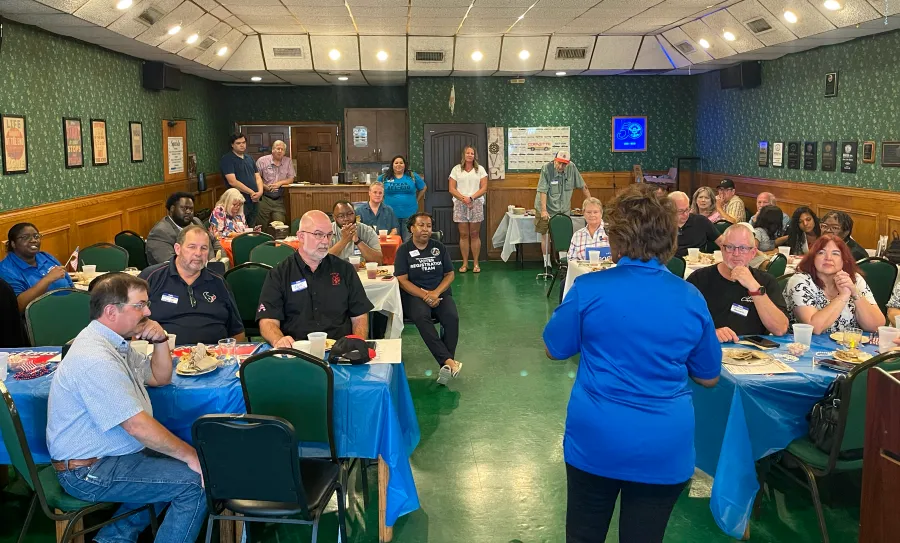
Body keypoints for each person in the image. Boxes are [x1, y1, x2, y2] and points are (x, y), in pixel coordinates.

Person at [543, 184, 721, 543]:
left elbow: (554, 348)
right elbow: (709, 376)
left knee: (584, 534)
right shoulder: (690, 297)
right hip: (663, 443)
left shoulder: (590, 288)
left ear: (617, 238)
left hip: (597, 437)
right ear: (670, 237)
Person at [47, 273, 206, 543]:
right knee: (196, 484)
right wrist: (192, 457)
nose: (148, 312)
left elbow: (159, 377)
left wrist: (160, 341)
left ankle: (110, 539)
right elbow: (136, 425)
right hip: (88, 471)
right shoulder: (96, 358)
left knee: (173, 466)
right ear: (111, 311)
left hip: (109, 459)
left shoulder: (111, 343)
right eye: (140, 305)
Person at [257, 210, 373, 346]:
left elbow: (359, 316)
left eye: (329, 235)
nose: (325, 241)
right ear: (300, 236)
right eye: (318, 234)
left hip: (340, 350)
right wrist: (278, 339)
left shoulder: (344, 270)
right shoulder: (280, 274)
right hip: (296, 350)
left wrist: (356, 343)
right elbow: (267, 320)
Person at [140, 225, 244, 345]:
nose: (198, 253)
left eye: (204, 248)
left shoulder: (218, 282)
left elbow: (237, 331)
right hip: (163, 355)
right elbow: (133, 323)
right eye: (192, 247)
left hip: (213, 357)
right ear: (178, 249)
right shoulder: (152, 277)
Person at [687, 224, 789, 342]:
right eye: (730, 247)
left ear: (753, 252)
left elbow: (780, 329)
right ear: (722, 249)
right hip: (712, 348)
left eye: (743, 248)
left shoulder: (766, 281)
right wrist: (709, 334)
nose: (736, 253)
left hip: (755, 354)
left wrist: (754, 287)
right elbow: (681, 323)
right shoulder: (699, 279)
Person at [395, 212, 461, 384]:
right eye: (421, 225)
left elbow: (450, 274)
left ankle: (446, 365)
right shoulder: (403, 250)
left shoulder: (439, 247)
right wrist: (425, 295)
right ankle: (448, 361)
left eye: (429, 226)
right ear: (411, 228)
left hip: (439, 292)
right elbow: (402, 280)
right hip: (415, 294)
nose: (426, 229)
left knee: (451, 317)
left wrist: (436, 293)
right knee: (421, 317)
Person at [784, 235, 884, 334]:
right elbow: (814, 328)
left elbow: (876, 326)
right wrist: (843, 296)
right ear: (813, 258)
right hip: (807, 347)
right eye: (821, 253)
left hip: (850, 347)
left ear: (844, 259)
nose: (828, 258)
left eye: (835, 254)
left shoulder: (855, 279)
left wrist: (854, 293)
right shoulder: (800, 281)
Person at [534, 151, 592, 268]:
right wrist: (544, 210)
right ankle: (547, 263)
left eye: (564, 164)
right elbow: (543, 191)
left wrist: (591, 202)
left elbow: (583, 186)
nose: (561, 167)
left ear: (568, 163)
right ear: (555, 160)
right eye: (559, 163)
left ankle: (563, 263)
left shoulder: (572, 168)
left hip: (563, 208)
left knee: (563, 235)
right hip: (546, 207)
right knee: (546, 234)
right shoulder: (547, 169)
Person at [0, 223, 74, 312]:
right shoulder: (6, 270)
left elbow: (71, 287)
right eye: (25, 237)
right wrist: (48, 279)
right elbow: (18, 306)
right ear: (13, 244)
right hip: (39, 320)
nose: (33, 240)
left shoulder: (46, 257)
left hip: (70, 309)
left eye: (36, 236)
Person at [146, 192, 221, 266]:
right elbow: (172, 263)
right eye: (184, 208)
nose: (188, 212)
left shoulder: (196, 222)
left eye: (191, 209)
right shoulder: (160, 232)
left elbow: (214, 241)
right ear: (172, 209)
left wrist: (221, 260)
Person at [449, 145, 488, 273]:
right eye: (467, 153)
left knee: (475, 234)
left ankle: (476, 263)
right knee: (464, 234)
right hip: (460, 203)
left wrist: (471, 198)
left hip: (476, 203)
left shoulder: (480, 170)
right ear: (463, 155)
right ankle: (465, 263)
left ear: (475, 155)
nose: (470, 155)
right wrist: (463, 198)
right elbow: (452, 188)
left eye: (472, 153)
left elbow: (484, 188)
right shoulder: (456, 169)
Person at [378, 155, 426, 242]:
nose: (398, 165)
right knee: (393, 240)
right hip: (390, 214)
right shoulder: (384, 177)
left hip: (409, 213)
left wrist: (417, 199)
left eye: (401, 163)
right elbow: (376, 189)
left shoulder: (412, 176)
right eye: (396, 163)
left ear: (405, 165)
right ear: (392, 165)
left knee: (409, 240)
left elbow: (423, 188)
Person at [220, 133, 263, 226]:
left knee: (252, 227)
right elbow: (232, 181)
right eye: (238, 143)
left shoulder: (249, 158)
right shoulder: (227, 159)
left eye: (243, 142)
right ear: (232, 145)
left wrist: (260, 192)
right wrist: (251, 192)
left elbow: (258, 177)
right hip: (238, 202)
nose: (242, 145)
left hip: (254, 200)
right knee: (240, 227)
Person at [669, 191, 722, 258]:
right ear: (669, 210)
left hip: (698, 265)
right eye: (680, 211)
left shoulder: (701, 221)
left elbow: (722, 242)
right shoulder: (661, 225)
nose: (685, 214)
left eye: (687, 209)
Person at [255, 140, 295, 228]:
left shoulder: (288, 161)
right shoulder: (262, 161)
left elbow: (291, 179)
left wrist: (279, 183)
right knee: (260, 226)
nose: (280, 151)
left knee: (280, 225)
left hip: (279, 199)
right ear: (272, 150)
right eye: (278, 149)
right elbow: (256, 178)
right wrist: (265, 187)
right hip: (264, 198)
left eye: (282, 149)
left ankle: (277, 241)